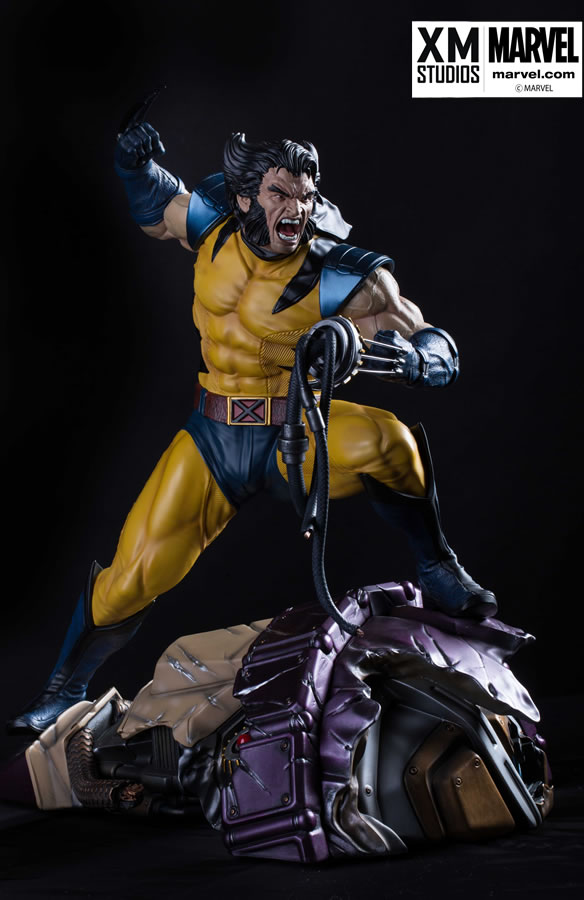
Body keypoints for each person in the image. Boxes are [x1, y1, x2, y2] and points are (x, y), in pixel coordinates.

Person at [8, 125, 496, 735]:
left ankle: (437, 564)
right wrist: (135, 167)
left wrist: (420, 360)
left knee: (389, 440)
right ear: (245, 197)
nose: (297, 209)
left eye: (306, 196)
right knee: (130, 578)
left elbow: (424, 333)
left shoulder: (340, 274)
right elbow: (158, 211)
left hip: (297, 429)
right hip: (214, 437)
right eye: (280, 193)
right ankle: (63, 690)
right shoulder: (214, 224)